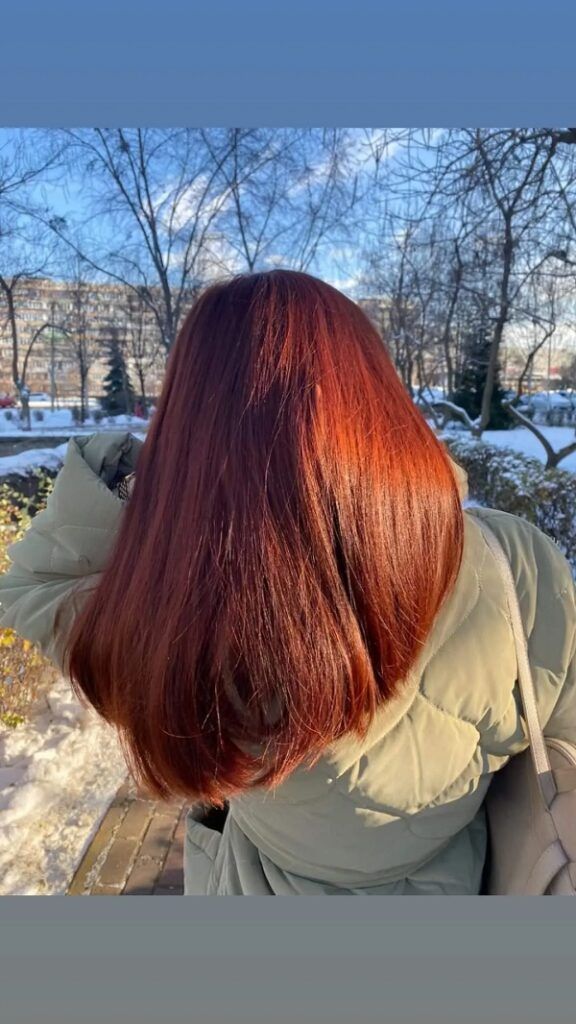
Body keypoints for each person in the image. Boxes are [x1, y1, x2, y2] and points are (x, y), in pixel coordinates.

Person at [0, 270, 574, 895]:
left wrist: (160, 485)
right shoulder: (512, 560)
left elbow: (37, 587)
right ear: (379, 397)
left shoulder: (175, 599)